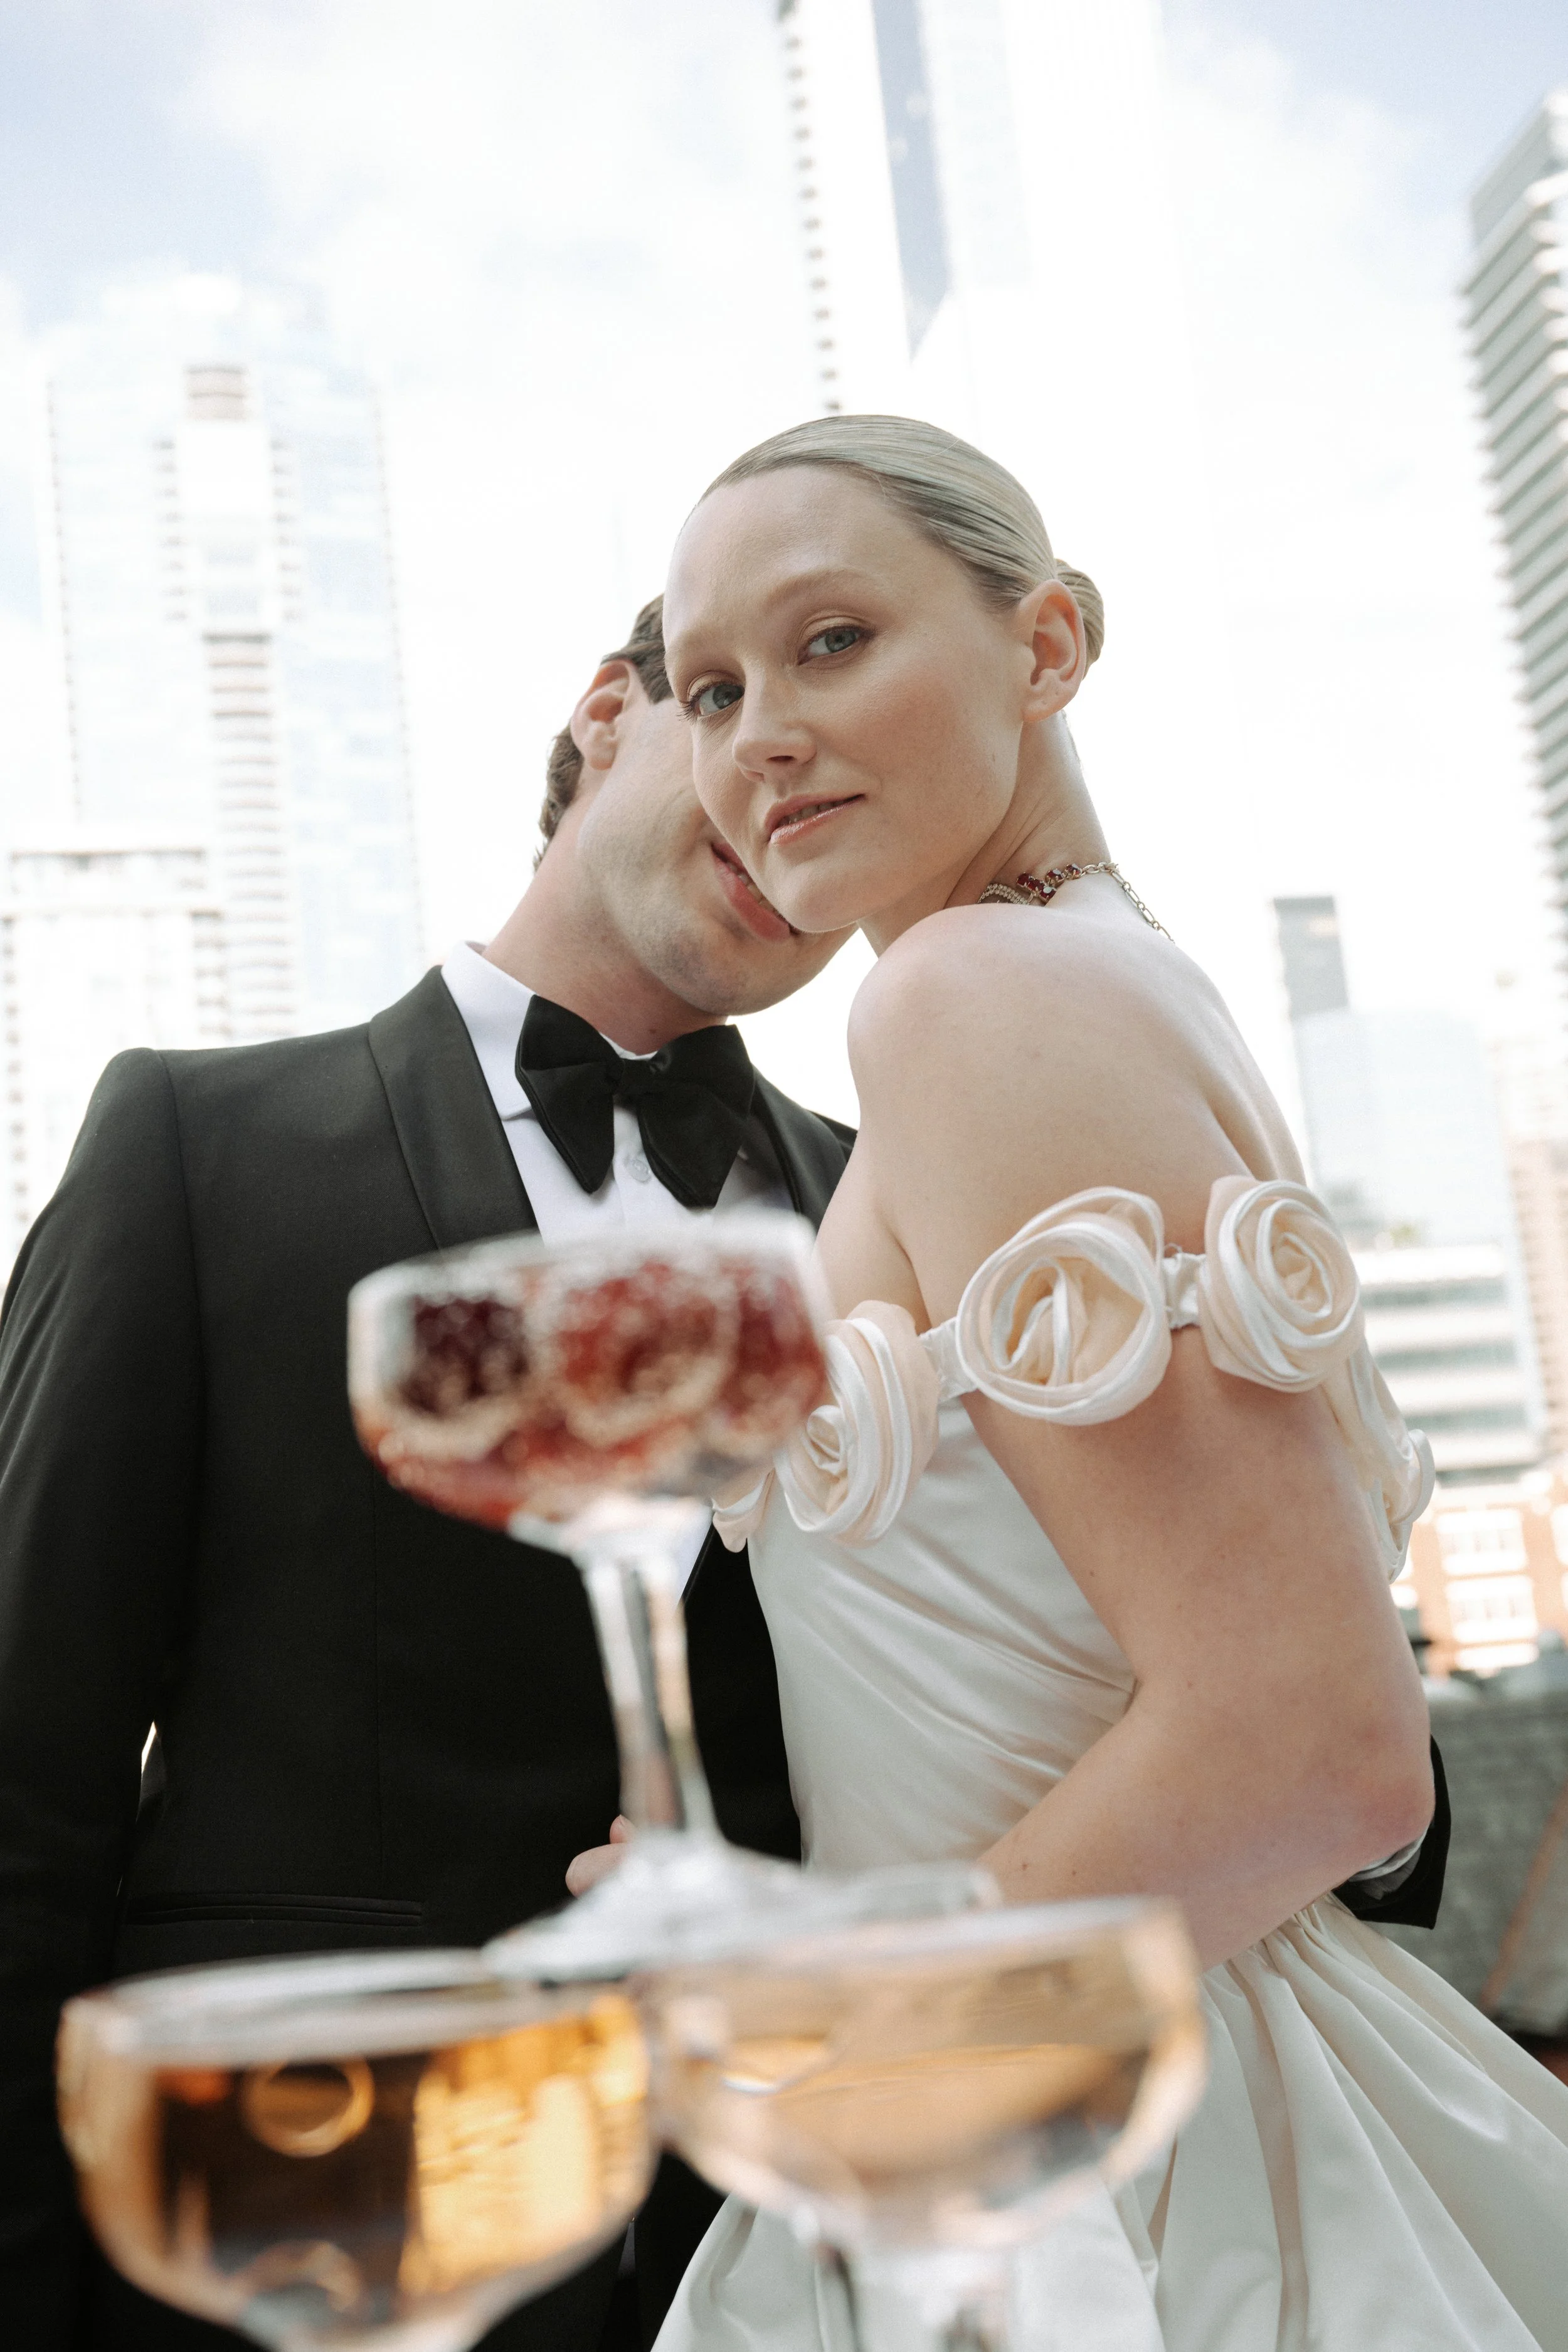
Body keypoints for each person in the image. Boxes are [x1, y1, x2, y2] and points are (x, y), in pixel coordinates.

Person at [641, 417, 1568, 2352]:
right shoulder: (1079, 976)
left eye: (829, 643)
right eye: (708, 688)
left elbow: (1317, 1742)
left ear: (1045, 644)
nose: (755, 738)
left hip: (1132, 2174)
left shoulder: (971, 1000)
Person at [0, 596, 853, 2352]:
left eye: (863, 812)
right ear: (608, 710)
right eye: (744, 725)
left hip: (771, 2254)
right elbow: (25, 1780)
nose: (794, 821)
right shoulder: (194, 1141)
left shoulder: (900, 1209)